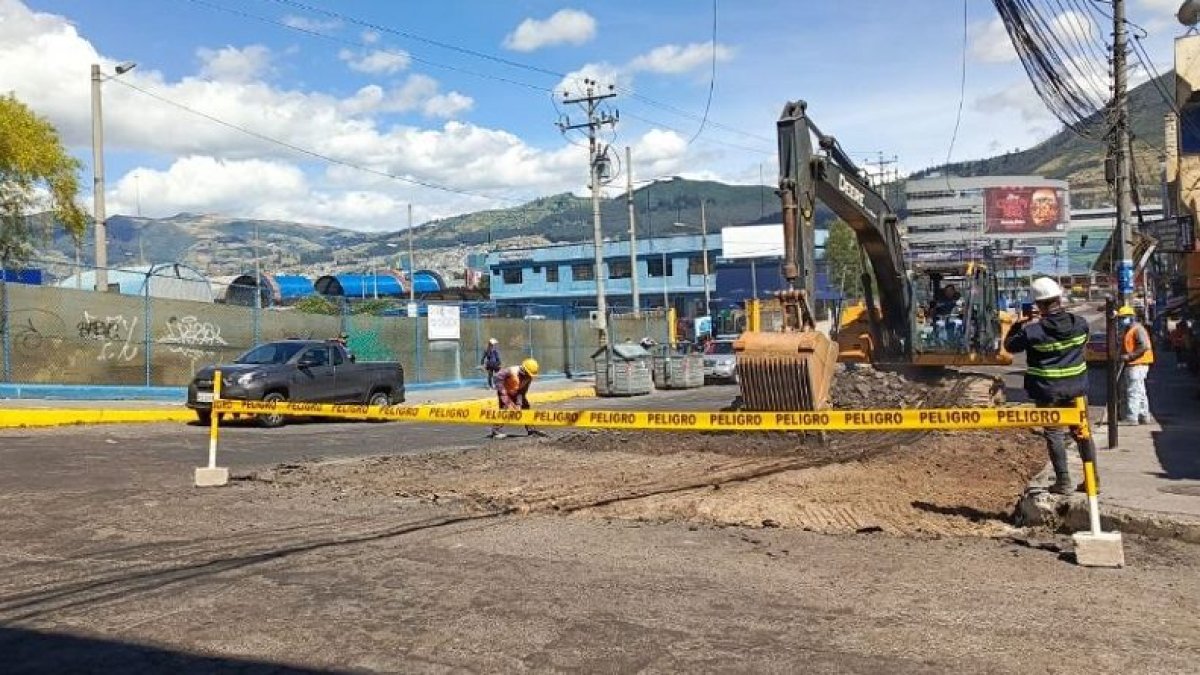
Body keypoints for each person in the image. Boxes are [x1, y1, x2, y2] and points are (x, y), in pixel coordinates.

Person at [1003, 277, 1095, 495]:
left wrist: (1019, 324)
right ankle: (1093, 479)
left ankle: (1063, 481)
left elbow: (1010, 346)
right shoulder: (1080, 323)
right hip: (1077, 388)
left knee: (1054, 433)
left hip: (1048, 390)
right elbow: (1083, 344)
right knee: (1082, 432)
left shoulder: (1033, 331)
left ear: (1039, 305)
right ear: (1059, 299)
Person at [488, 358, 546, 439]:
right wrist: (504, 394)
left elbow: (522, 391)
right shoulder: (511, 371)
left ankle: (531, 430)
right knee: (504, 409)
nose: (528, 376)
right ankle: (495, 431)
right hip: (505, 392)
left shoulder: (528, 377)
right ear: (523, 370)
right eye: (528, 374)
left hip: (517, 393)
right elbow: (497, 378)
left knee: (525, 407)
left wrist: (519, 403)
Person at [1117, 305, 1155, 425]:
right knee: (1140, 390)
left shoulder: (1138, 329)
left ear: (1131, 317)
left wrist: (1129, 356)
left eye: (1124, 318)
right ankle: (1144, 415)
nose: (1122, 320)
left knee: (1133, 390)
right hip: (1135, 364)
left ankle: (1132, 417)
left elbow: (1144, 346)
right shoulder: (1130, 330)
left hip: (1137, 364)